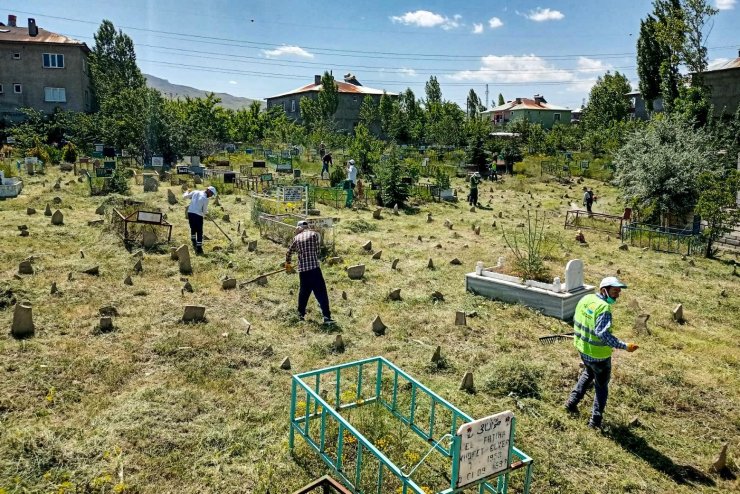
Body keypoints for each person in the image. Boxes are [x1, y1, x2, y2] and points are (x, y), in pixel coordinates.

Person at [565, 276, 639, 429]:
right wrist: (624, 346)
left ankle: (571, 403)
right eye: (614, 291)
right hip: (599, 356)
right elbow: (603, 335)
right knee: (601, 386)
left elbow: (578, 318)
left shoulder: (586, 299)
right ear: (603, 290)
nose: (617, 295)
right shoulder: (604, 308)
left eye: (618, 292)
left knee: (588, 373)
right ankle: (595, 421)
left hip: (582, 349)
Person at [285, 220, 334, 325]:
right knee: (321, 293)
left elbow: (288, 252)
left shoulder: (296, 238)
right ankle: (326, 317)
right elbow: (317, 251)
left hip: (303, 271)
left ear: (299, 228)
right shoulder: (314, 235)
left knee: (303, 293)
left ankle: (300, 315)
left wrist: (288, 264)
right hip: (314, 269)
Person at [183, 185, 217, 255]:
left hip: (190, 213)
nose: (211, 196)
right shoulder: (206, 199)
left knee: (193, 227)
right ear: (208, 190)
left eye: (212, 194)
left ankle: (193, 240)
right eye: (211, 194)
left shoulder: (195, 192)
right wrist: (206, 214)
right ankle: (199, 248)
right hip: (198, 215)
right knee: (199, 231)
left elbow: (185, 197)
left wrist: (186, 191)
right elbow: (204, 211)